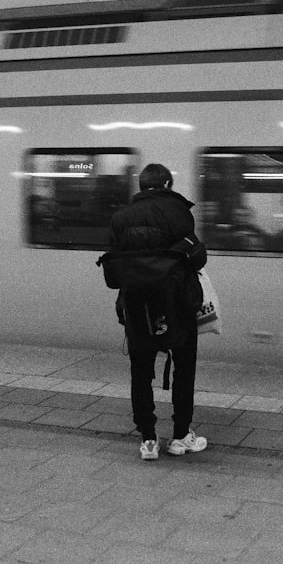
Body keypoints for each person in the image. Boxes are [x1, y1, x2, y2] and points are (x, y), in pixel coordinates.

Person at [109, 163, 208, 461]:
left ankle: (148, 440)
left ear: (141, 186)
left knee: (140, 372)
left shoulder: (120, 217)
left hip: (138, 306)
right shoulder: (179, 212)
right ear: (167, 184)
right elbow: (196, 259)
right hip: (177, 305)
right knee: (184, 369)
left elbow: (115, 270)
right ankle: (180, 437)